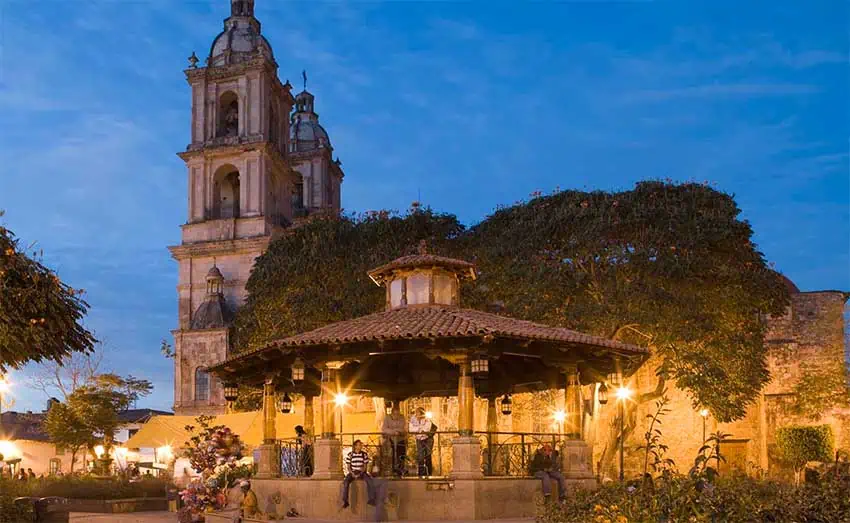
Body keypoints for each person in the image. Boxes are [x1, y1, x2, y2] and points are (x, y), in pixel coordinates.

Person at [341, 440, 376, 508]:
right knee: (345, 482)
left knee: (370, 481)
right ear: (355, 446)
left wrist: (360, 473)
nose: (360, 446)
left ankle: (371, 499)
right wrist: (352, 474)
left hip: (362, 472)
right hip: (352, 472)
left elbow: (365, 466)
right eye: (359, 445)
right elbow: (348, 467)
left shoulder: (364, 454)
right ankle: (345, 501)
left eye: (361, 445)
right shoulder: (350, 455)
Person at [381, 404, 407, 476]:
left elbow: (403, 428)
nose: (397, 416)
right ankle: (392, 470)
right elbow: (384, 428)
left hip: (400, 439)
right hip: (390, 439)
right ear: (392, 413)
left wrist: (396, 431)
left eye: (398, 414)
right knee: (391, 454)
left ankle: (400, 469)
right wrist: (393, 432)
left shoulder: (402, 417)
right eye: (395, 414)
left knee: (401, 454)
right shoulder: (387, 418)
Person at [408, 407, 435, 476]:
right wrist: (420, 429)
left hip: (427, 439)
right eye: (416, 413)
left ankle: (429, 473)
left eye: (418, 413)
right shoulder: (413, 419)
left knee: (428, 456)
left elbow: (427, 429)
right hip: (419, 439)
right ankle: (421, 473)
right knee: (420, 456)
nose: (417, 415)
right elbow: (411, 429)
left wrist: (418, 429)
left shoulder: (427, 419)